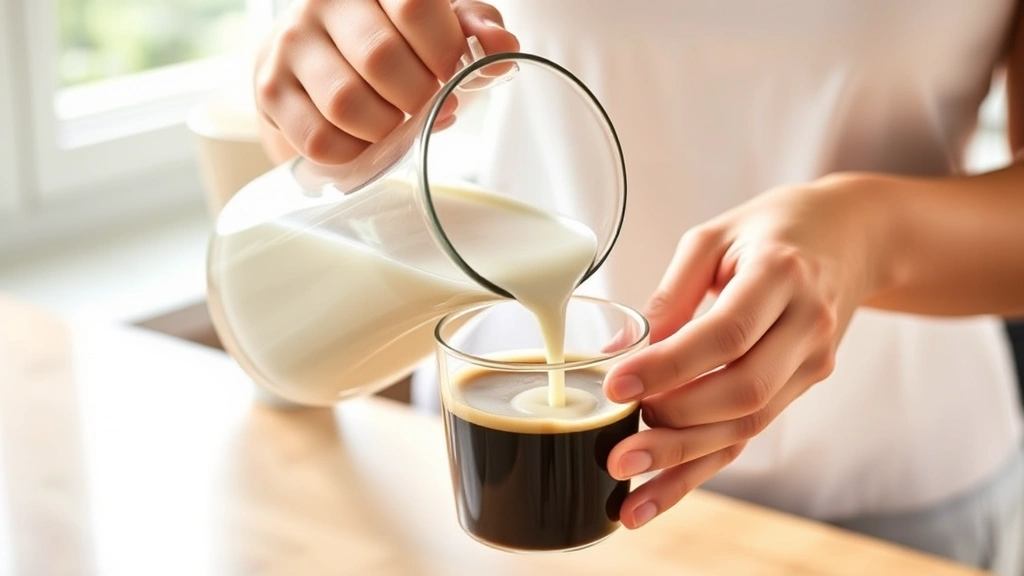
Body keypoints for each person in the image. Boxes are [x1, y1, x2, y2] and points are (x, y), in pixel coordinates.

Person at [252, 1, 1024, 573]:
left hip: (887, 502)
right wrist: (327, 81)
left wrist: (870, 236)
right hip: (496, 484)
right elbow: (316, 134)